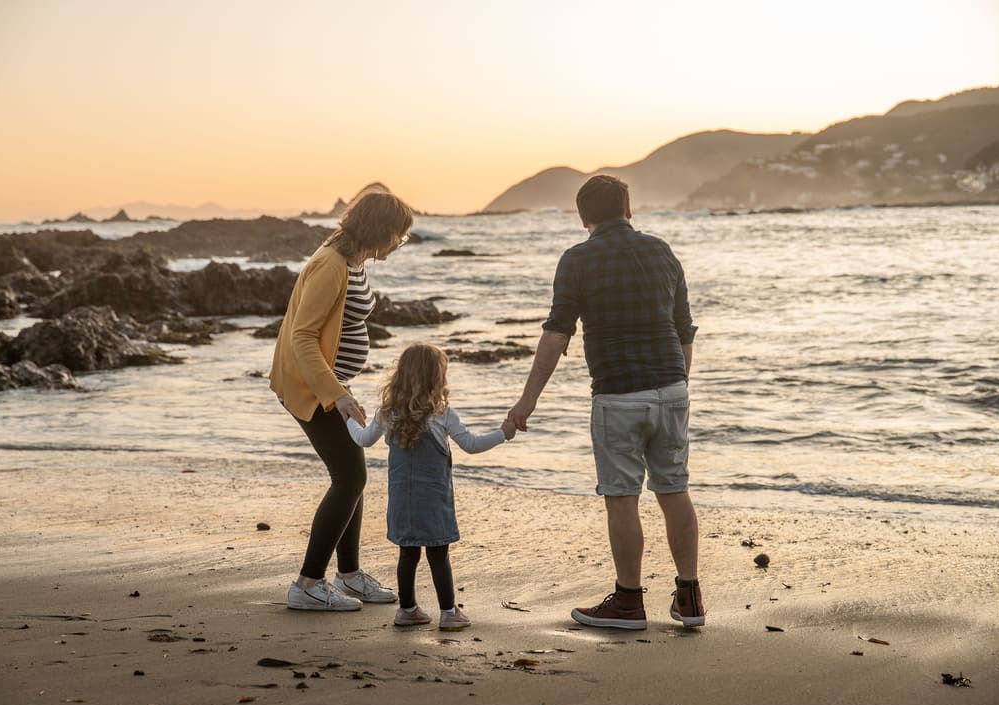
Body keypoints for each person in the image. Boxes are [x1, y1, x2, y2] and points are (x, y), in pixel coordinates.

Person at [508, 175, 703, 630]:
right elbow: (685, 329)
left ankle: (630, 602)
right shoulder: (662, 251)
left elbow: (557, 333)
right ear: (629, 210)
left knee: (622, 499)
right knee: (674, 491)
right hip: (672, 389)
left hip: (617, 394)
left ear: (584, 218)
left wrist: (526, 401)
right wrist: (677, 387)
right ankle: (689, 599)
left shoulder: (577, 259)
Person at [270, 191, 414, 612]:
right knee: (349, 478)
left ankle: (349, 576)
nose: (397, 245)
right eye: (398, 237)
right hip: (311, 388)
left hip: (331, 384)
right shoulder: (330, 265)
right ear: (380, 232)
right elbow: (302, 336)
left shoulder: (353, 258)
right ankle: (308, 583)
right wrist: (336, 395)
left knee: (354, 476)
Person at [346, 343, 517, 628]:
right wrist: (504, 433)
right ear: (436, 379)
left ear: (401, 375)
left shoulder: (387, 412)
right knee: (438, 553)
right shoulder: (442, 413)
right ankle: (449, 612)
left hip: (402, 499)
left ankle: (407, 609)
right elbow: (471, 445)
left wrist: (350, 419)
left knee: (408, 552)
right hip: (434, 500)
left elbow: (363, 439)